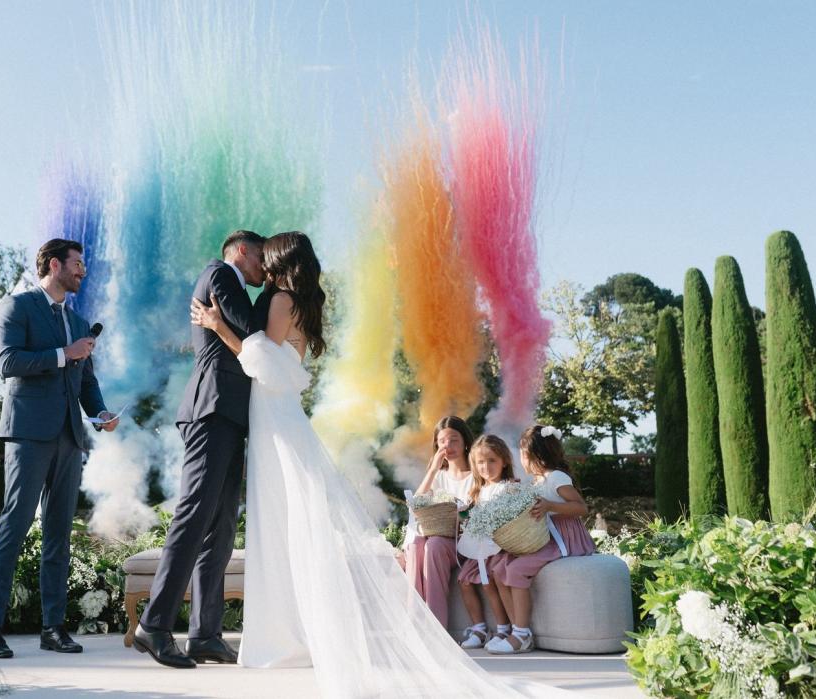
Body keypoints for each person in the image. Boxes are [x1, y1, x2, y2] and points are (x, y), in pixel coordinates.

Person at [190, 232, 571, 698]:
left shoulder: (282, 300)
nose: (263, 262)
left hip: (274, 419)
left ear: (279, 261)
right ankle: (289, 632)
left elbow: (265, 363)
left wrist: (219, 326)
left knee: (282, 521)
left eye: (269, 256)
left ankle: (284, 637)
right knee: (285, 523)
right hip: (278, 416)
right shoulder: (299, 301)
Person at [0, 238, 117, 659]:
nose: (82, 271)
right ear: (54, 265)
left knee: (60, 535)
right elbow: (7, 362)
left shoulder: (77, 319)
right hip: (27, 434)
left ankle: (53, 628)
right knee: (14, 528)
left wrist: (102, 411)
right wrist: (62, 354)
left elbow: (85, 380)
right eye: (77, 264)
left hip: (71, 437)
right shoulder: (16, 306)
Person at [132, 230, 267, 669]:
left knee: (221, 527)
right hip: (210, 411)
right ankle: (153, 625)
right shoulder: (219, 274)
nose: (264, 270)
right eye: (262, 258)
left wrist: (221, 325)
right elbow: (253, 335)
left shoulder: (227, 280)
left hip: (230, 416)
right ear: (242, 251)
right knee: (193, 517)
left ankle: (205, 634)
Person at [487, 426, 595, 655]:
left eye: (522, 453)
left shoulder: (556, 477)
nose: (521, 458)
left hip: (563, 539)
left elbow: (581, 508)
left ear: (534, 455)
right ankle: (516, 630)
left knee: (516, 569)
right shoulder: (538, 480)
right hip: (544, 536)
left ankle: (522, 634)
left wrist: (549, 506)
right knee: (498, 567)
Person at [403, 416, 475, 628]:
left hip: (463, 542)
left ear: (465, 442)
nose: (447, 446)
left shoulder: (475, 475)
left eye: (453, 440)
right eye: (442, 441)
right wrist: (433, 469)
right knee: (417, 543)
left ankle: (436, 628)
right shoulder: (439, 476)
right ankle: (414, 622)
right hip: (437, 538)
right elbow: (415, 507)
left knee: (433, 545)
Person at [455, 435, 518, 650]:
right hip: (479, 546)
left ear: (504, 461)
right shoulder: (477, 490)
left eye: (492, 460)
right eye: (481, 462)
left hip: (497, 547)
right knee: (464, 581)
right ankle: (479, 628)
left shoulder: (508, 487)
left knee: (489, 582)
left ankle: (503, 629)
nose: (486, 466)